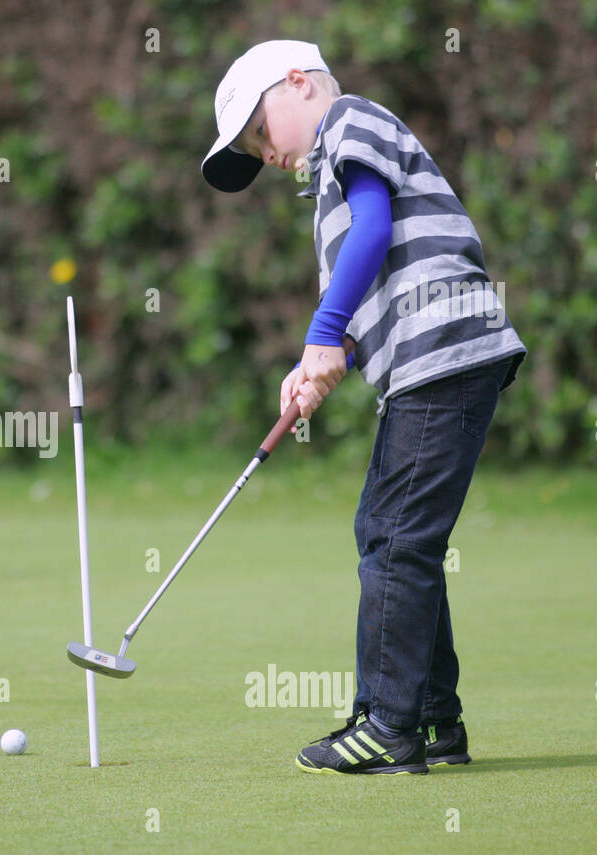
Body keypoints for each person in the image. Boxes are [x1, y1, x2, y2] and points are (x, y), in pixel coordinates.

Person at [200, 40, 527, 774]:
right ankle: (433, 721)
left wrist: (322, 331)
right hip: (429, 361)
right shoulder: (328, 181)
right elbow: (372, 277)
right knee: (392, 533)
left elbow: (377, 230)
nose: (264, 155)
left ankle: (389, 725)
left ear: (296, 84)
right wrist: (325, 358)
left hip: (446, 354)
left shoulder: (350, 120)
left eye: (260, 133)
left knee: (395, 537)